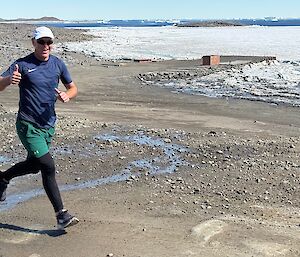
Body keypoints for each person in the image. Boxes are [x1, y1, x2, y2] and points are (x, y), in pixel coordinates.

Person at [0, 26, 79, 230]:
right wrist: (9, 80)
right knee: (48, 166)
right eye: (41, 42)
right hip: (28, 125)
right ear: (33, 42)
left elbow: (73, 87)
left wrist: (66, 96)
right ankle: (61, 214)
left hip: (48, 125)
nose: (45, 46)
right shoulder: (22, 64)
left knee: (35, 165)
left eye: (49, 42)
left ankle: (3, 177)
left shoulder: (57, 64)